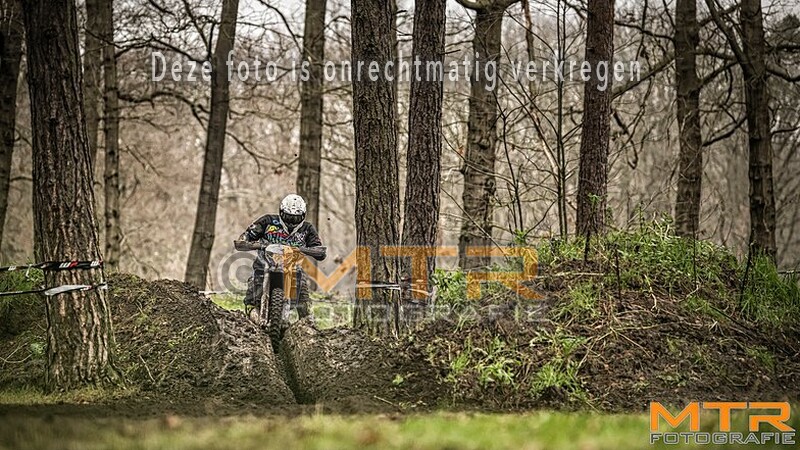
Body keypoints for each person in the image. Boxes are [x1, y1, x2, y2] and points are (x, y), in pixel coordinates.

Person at [234, 194, 326, 319]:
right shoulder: (267, 221)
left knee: (304, 298)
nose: (291, 221)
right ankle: (251, 315)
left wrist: (315, 250)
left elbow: (318, 247)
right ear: (281, 212)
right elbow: (247, 235)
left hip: (293, 266)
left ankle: (307, 325)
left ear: (303, 216)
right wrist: (245, 241)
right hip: (264, 263)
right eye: (288, 217)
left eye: (295, 218)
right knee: (252, 291)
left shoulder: (307, 228)